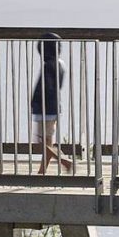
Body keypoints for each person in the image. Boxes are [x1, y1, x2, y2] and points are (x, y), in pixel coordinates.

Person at [29, 34, 72, 173]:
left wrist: (35, 102)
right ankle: (42, 171)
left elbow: (45, 88)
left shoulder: (48, 66)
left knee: (41, 143)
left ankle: (64, 161)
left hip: (44, 109)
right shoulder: (60, 64)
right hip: (54, 108)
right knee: (48, 142)